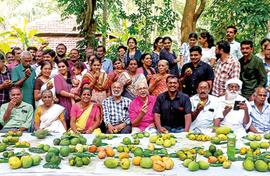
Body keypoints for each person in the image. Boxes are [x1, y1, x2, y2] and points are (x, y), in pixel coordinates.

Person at [54, 60, 80, 126]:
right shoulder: (57, 77)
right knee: (64, 123)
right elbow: (59, 91)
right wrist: (72, 95)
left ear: (67, 68)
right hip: (63, 104)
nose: (61, 68)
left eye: (63, 66)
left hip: (74, 104)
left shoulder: (72, 77)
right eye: (59, 67)